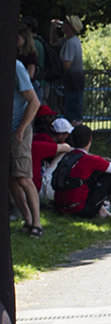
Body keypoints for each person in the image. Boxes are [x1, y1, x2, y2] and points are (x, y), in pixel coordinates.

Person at [53, 125, 111, 222]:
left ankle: (102, 210)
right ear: (90, 139)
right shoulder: (91, 160)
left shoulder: (68, 156)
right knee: (110, 176)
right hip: (79, 210)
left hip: (60, 206)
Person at [11, 60, 42, 238]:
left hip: (18, 129)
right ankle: (28, 220)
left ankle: (37, 224)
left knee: (23, 178)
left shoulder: (15, 67)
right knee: (11, 180)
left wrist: (21, 129)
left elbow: (34, 102)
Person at [49, 15, 85, 124]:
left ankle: (75, 136)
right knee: (73, 112)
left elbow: (66, 65)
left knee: (73, 115)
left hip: (73, 83)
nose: (63, 24)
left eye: (66, 23)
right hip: (73, 83)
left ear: (70, 28)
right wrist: (53, 29)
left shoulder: (70, 43)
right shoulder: (69, 40)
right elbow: (54, 42)